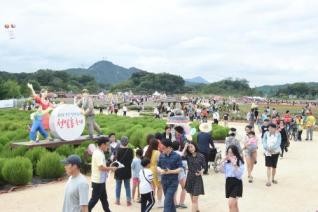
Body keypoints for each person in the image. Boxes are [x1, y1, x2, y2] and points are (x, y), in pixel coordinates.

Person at [88, 137, 117, 212]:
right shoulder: (98, 154)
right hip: (98, 181)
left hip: (101, 181)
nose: (108, 147)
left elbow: (102, 166)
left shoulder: (100, 152)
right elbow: (101, 167)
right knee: (94, 200)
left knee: (104, 199)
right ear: (102, 145)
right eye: (107, 145)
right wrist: (111, 168)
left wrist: (108, 168)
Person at [157, 139, 183, 212]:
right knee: (170, 200)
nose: (162, 150)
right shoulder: (161, 156)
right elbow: (158, 166)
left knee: (167, 201)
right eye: (161, 148)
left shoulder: (177, 156)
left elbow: (180, 169)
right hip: (164, 181)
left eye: (163, 148)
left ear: (169, 148)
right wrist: (160, 170)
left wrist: (170, 171)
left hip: (173, 182)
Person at [182, 142, 205, 212]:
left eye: (191, 147)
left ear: (195, 146)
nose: (190, 149)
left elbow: (204, 166)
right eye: (189, 148)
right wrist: (185, 147)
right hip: (189, 178)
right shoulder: (188, 156)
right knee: (193, 199)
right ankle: (197, 209)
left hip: (197, 178)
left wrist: (201, 171)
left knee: (194, 199)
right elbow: (180, 156)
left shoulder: (201, 156)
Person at [220, 145, 244, 212]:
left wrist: (235, 164)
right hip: (228, 183)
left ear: (235, 153)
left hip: (237, 183)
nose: (230, 154)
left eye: (231, 152)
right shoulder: (226, 162)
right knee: (234, 204)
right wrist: (222, 161)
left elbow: (239, 175)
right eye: (228, 152)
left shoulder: (239, 162)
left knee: (231, 204)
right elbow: (221, 171)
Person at [114, 136, 134, 206]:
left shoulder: (118, 150)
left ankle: (117, 201)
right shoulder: (130, 150)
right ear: (127, 142)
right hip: (127, 171)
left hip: (118, 171)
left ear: (121, 142)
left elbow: (115, 161)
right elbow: (131, 160)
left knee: (118, 186)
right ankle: (128, 201)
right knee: (127, 186)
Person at [144, 138, 163, 208]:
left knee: (151, 187)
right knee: (159, 187)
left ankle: (150, 202)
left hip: (148, 170)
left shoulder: (148, 152)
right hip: (155, 170)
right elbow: (160, 161)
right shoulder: (157, 152)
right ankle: (159, 202)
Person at [172, 142, 187, 209]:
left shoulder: (171, 154)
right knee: (184, 187)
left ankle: (175, 203)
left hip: (173, 173)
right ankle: (181, 202)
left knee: (175, 189)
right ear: (178, 147)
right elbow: (182, 153)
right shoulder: (179, 153)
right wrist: (186, 146)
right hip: (180, 172)